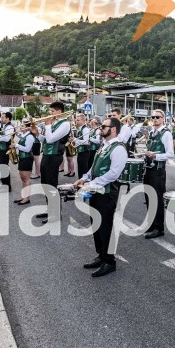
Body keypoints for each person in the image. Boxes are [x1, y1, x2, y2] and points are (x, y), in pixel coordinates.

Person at [74, 116, 128, 277]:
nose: (100, 128)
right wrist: (84, 178)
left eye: (103, 126)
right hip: (96, 191)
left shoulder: (118, 148)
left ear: (113, 129)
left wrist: (92, 183)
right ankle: (101, 255)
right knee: (96, 224)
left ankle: (110, 261)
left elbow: (113, 174)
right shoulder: (104, 146)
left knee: (105, 227)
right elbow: (94, 167)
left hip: (107, 193)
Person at [142, 109, 174, 239]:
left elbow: (170, 154)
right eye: (153, 117)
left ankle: (159, 228)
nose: (154, 119)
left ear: (162, 119)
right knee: (148, 197)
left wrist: (155, 155)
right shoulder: (152, 132)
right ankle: (151, 223)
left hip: (158, 171)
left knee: (157, 199)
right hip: (148, 168)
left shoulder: (166, 134)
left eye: (157, 117)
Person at [37, 102, 72, 220]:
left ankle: (55, 214)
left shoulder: (65, 124)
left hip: (55, 156)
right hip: (47, 155)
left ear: (59, 111)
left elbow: (51, 139)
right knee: (45, 184)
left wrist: (47, 125)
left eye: (52, 111)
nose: (49, 114)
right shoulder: (54, 123)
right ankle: (50, 210)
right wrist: (36, 133)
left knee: (52, 185)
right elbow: (45, 140)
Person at [13, 121, 37, 205]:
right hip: (22, 158)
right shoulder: (24, 135)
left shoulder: (30, 136)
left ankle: (27, 198)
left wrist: (16, 145)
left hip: (27, 158)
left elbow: (27, 149)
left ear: (27, 127)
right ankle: (23, 196)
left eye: (22, 126)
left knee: (26, 179)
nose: (20, 127)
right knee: (23, 178)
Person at [0, 112, 15, 192]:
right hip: (1, 149)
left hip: (5, 149)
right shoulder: (5, 126)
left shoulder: (10, 127)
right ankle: (4, 185)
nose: (1, 119)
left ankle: (7, 186)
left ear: (8, 118)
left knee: (4, 167)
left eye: (3, 117)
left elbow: (6, 139)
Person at [73, 113, 93, 179]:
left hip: (84, 152)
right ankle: (80, 182)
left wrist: (75, 140)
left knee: (83, 170)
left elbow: (86, 141)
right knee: (80, 169)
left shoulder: (85, 129)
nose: (76, 121)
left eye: (78, 120)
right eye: (76, 120)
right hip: (80, 151)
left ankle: (83, 184)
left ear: (83, 121)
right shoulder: (80, 129)